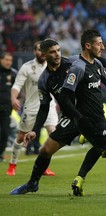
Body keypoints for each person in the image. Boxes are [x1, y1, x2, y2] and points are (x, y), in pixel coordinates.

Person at [10, 30, 106, 195]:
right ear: (44, 54)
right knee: (45, 150)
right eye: (52, 52)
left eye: (58, 50)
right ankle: (32, 184)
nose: (56, 55)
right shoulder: (44, 80)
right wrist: (35, 129)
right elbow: (44, 107)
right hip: (72, 118)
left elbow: (95, 59)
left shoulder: (72, 62)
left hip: (89, 115)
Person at [6, 41, 59, 176]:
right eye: (38, 50)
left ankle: (43, 166)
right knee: (21, 136)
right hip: (31, 108)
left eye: (43, 50)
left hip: (49, 107)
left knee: (53, 135)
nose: (41, 53)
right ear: (35, 52)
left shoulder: (53, 66)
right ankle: (12, 164)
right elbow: (17, 86)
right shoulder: (27, 67)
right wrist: (13, 98)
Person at [0, 52, 17, 162]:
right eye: (6, 60)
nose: (8, 62)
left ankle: (0, 153)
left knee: (5, 133)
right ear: (1, 60)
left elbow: (17, 90)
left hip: (6, 109)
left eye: (10, 60)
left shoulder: (13, 74)